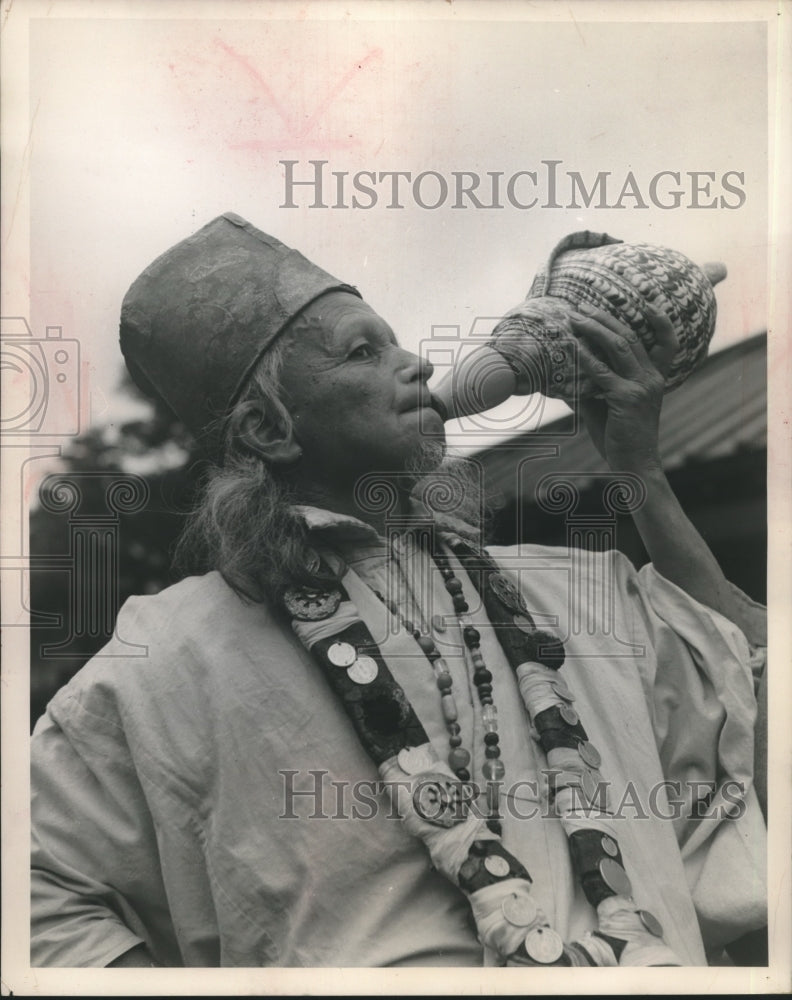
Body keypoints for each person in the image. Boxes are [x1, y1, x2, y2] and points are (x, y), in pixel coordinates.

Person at [30, 213, 767, 968]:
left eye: (396, 342)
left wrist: (638, 471)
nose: (415, 364)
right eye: (363, 351)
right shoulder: (172, 653)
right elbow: (37, 893)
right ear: (267, 429)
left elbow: (746, 683)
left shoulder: (575, 590)